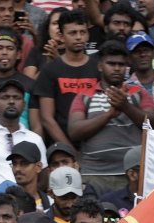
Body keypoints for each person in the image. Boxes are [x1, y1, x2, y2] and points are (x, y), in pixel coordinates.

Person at [67, 40, 154, 195]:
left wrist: (126, 107)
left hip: (132, 175)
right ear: (100, 66)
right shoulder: (85, 96)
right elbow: (74, 131)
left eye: (121, 64)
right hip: (94, 176)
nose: (117, 68)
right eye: (111, 63)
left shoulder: (138, 93)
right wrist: (109, 115)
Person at [33, 11, 100, 145]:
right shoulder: (49, 70)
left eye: (83, 32)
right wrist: (70, 151)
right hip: (60, 148)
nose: (78, 37)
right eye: (72, 33)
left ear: (88, 35)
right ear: (61, 36)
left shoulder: (98, 68)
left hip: (94, 145)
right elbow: (47, 118)